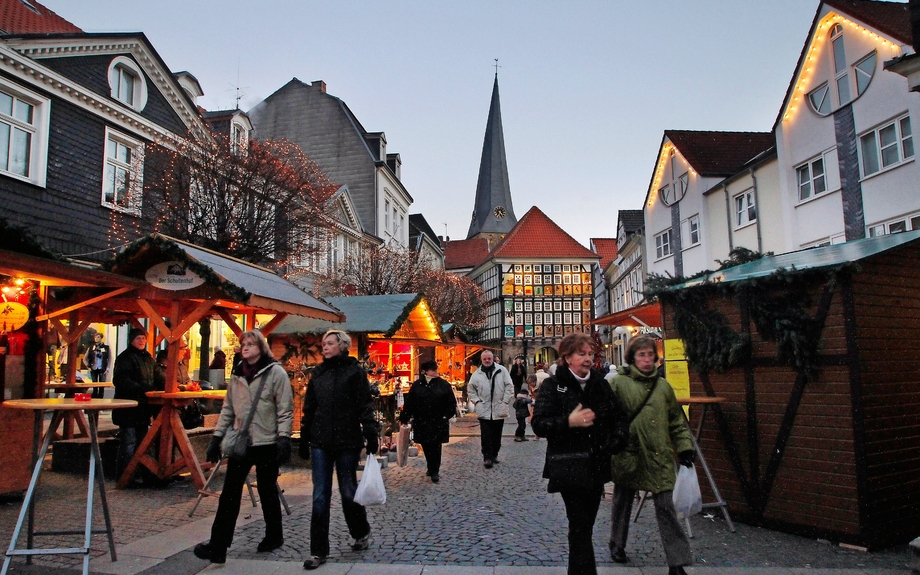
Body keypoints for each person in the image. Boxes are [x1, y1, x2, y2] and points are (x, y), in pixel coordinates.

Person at [531, 333, 628, 575]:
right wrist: (568, 421)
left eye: (590, 354)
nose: (587, 359)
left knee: (585, 525)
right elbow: (540, 424)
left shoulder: (600, 384)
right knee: (580, 525)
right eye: (581, 354)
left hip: (596, 464)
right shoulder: (553, 386)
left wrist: (615, 441)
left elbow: (618, 418)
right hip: (569, 466)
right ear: (567, 357)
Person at [195, 329, 293, 565]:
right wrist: (216, 438)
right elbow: (228, 408)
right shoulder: (237, 374)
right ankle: (218, 546)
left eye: (250, 343)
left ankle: (274, 535)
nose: (246, 347)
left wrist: (284, 438)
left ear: (261, 347)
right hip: (242, 440)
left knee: (267, 489)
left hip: (267, 441)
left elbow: (285, 409)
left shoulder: (275, 373)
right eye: (243, 344)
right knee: (229, 493)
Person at [607, 335, 696, 575]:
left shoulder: (663, 386)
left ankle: (676, 563)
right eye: (641, 355)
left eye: (650, 355)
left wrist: (685, 447)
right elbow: (608, 417)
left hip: (659, 455)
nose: (647, 360)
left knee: (666, 508)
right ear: (632, 358)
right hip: (630, 453)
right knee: (622, 501)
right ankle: (617, 543)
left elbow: (676, 421)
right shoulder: (618, 384)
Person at [298, 329, 378, 570]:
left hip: (347, 440)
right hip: (321, 440)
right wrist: (304, 436)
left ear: (342, 346)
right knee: (320, 495)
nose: (325, 346)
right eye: (323, 343)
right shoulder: (318, 374)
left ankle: (360, 531)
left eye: (330, 343)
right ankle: (318, 551)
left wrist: (370, 433)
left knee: (347, 491)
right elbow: (310, 407)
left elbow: (365, 404)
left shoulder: (354, 372)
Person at [398, 360, 456, 483]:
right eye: (432, 369)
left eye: (436, 369)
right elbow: (410, 403)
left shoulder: (443, 384)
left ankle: (435, 470)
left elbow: (451, 403)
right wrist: (404, 417)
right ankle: (431, 465)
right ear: (425, 371)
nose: (435, 372)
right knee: (426, 445)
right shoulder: (417, 385)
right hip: (422, 420)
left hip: (438, 420)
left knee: (436, 445)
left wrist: (446, 416)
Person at [112, 327, 156, 485]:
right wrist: (142, 389)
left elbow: (155, 376)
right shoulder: (125, 358)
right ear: (132, 340)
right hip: (128, 407)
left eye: (143, 338)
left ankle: (145, 475)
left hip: (143, 408)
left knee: (142, 443)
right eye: (138, 338)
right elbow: (120, 380)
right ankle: (126, 477)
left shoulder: (148, 358)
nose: (142, 341)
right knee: (129, 443)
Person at [467, 350, 513, 469]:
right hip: (484, 409)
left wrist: (505, 400)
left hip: (499, 407)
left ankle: (494, 454)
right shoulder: (476, 374)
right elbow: (471, 389)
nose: (487, 361)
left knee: (497, 435)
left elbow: (509, 385)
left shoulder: (501, 370)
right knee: (486, 435)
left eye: (489, 359)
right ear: (482, 360)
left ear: (492, 359)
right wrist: (477, 401)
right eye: (485, 359)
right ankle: (487, 457)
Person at [83, 332, 111, 398]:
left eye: (98, 337)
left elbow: (109, 358)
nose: (96, 338)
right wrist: (88, 366)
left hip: (102, 368)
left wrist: (108, 368)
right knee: (94, 384)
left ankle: (100, 397)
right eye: (95, 337)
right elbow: (85, 358)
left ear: (101, 338)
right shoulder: (91, 347)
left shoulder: (106, 348)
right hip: (94, 367)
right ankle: (95, 396)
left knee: (101, 384)